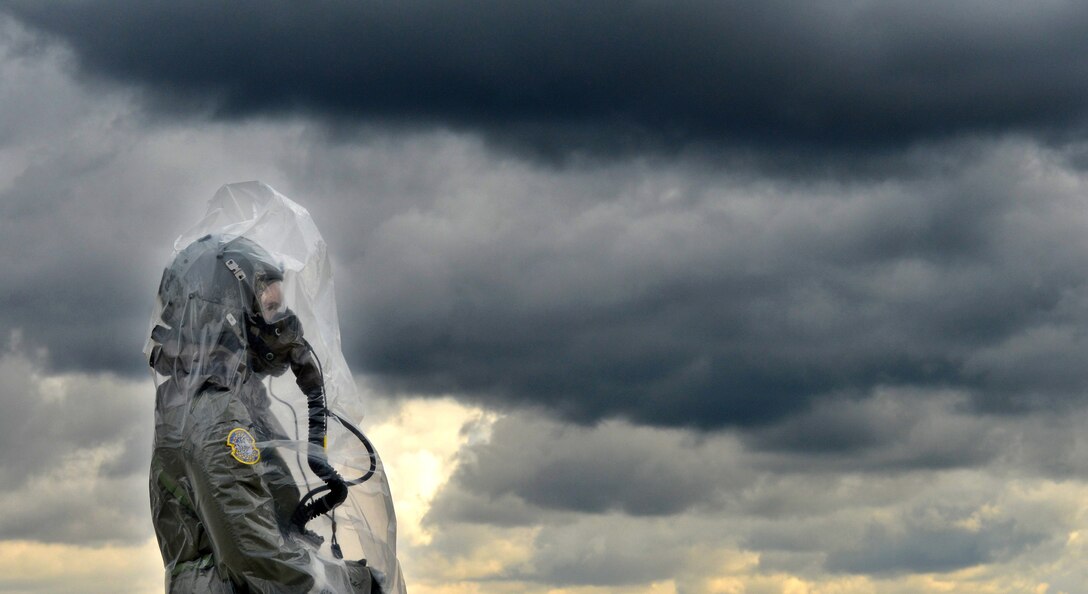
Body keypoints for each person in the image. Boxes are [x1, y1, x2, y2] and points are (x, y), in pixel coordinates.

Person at [146, 233, 377, 593]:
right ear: (225, 316)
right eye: (271, 310)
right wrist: (355, 583)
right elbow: (256, 557)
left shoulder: (227, 402)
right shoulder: (215, 412)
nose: (285, 327)